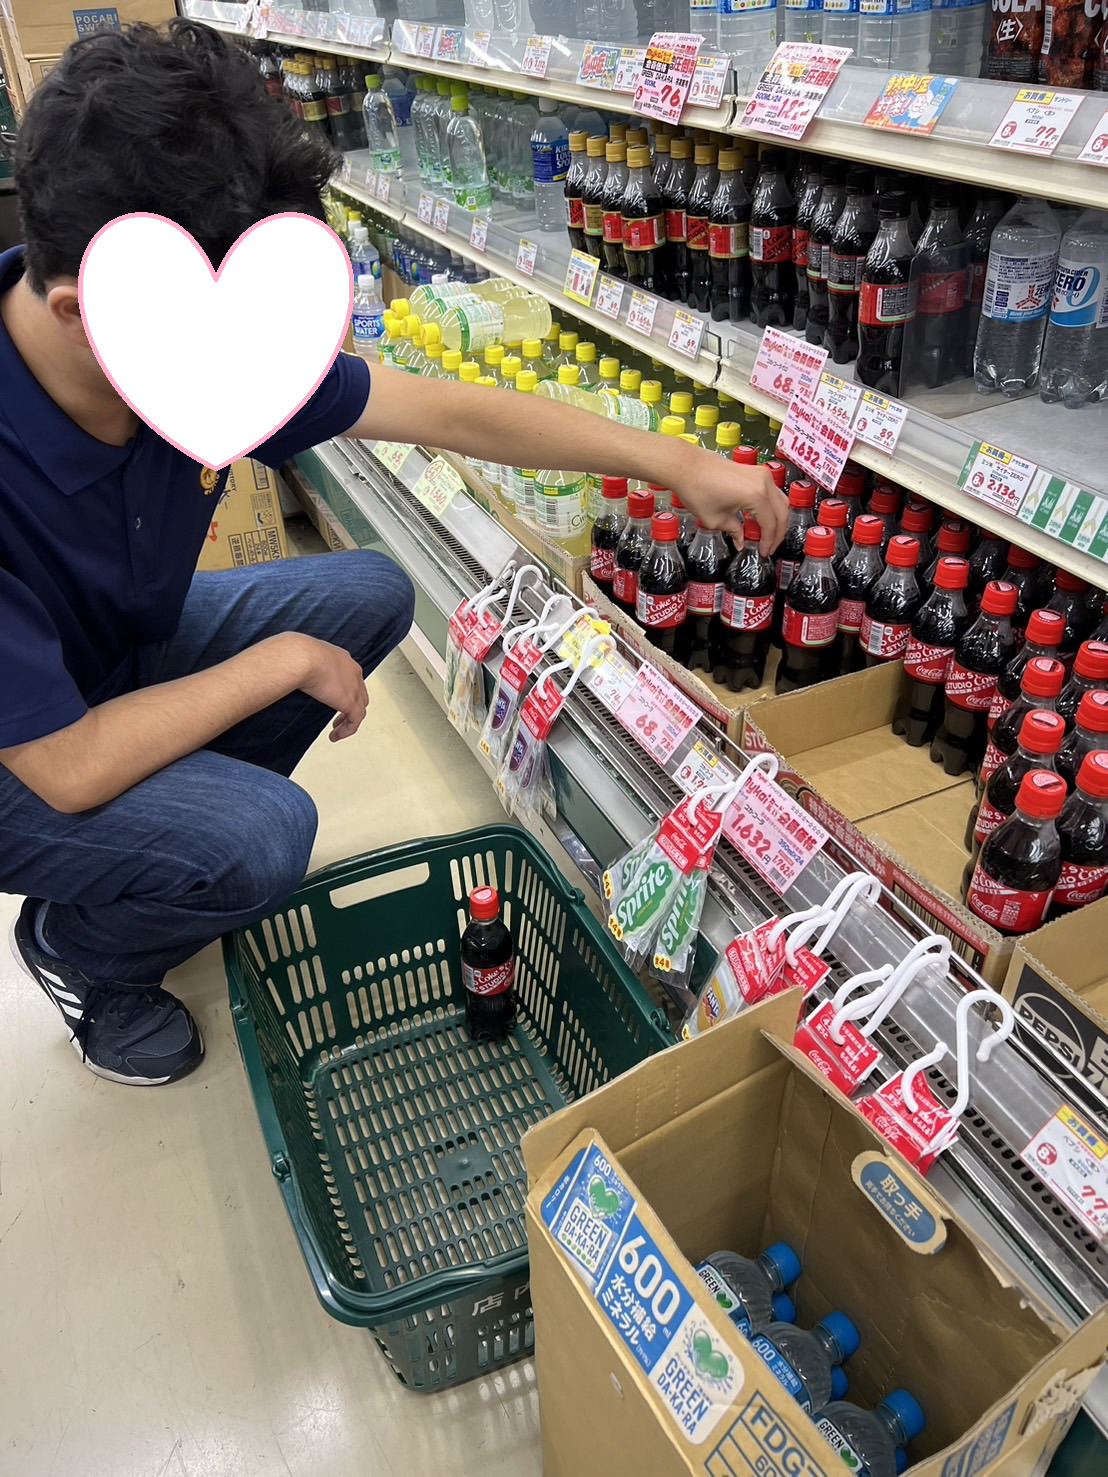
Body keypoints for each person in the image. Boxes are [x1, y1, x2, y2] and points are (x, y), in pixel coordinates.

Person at [0, 20, 786, 1087]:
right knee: (264, 837)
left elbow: (445, 411)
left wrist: (676, 461)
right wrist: (277, 664)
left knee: (367, 591)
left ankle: (159, 851)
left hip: (100, 660)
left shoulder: (181, 346)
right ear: (87, 318)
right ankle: (83, 949)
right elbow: (67, 763)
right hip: (26, 753)